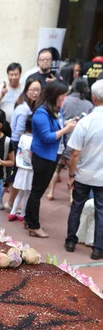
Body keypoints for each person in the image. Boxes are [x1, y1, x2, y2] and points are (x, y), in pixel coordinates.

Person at [25, 80, 77, 238]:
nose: (64, 98)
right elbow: (47, 136)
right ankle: (33, 225)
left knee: (38, 190)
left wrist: (66, 123)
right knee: (37, 191)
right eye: (62, 96)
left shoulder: (56, 109)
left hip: (53, 155)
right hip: (43, 156)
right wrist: (66, 129)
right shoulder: (41, 112)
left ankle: (29, 219)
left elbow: (56, 127)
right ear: (55, 95)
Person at [65, 80, 103, 260]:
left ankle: (70, 241)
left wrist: (71, 175)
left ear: (94, 98)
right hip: (102, 177)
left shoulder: (86, 122)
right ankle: (98, 248)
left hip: (83, 174)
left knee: (76, 207)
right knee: (101, 211)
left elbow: (75, 153)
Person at [46, 78, 94, 201]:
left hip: (62, 138)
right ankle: (72, 197)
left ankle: (51, 192)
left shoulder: (65, 100)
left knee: (57, 168)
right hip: (78, 142)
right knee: (73, 170)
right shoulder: (89, 105)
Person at [6, 78, 41, 211]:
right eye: (32, 89)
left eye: (38, 90)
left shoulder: (28, 106)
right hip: (18, 143)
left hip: (19, 142)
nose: (35, 93)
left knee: (14, 174)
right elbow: (19, 131)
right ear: (26, 90)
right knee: (17, 175)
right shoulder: (24, 109)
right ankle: (9, 203)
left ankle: (6, 202)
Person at [9, 117, 33, 221]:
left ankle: (13, 212)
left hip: (21, 167)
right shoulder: (33, 139)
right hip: (29, 168)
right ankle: (22, 214)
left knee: (20, 192)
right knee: (27, 192)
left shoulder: (22, 137)